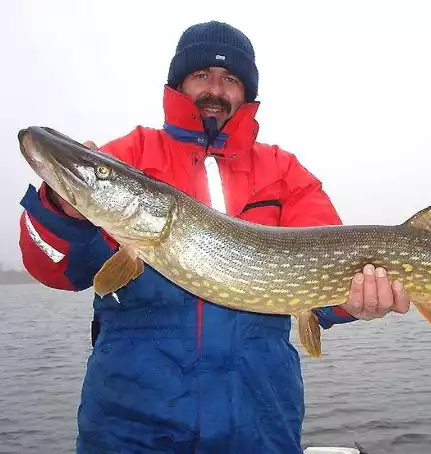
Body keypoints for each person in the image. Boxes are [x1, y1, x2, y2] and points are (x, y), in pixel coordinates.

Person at [18, 20, 410, 454]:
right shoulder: (130, 155)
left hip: (259, 421)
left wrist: (357, 299)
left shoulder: (284, 172)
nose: (215, 90)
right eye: (201, 75)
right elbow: (57, 269)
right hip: (131, 424)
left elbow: (324, 287)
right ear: (179, 84)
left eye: (230, 80)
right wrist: (60, 209)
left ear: (246, 92)